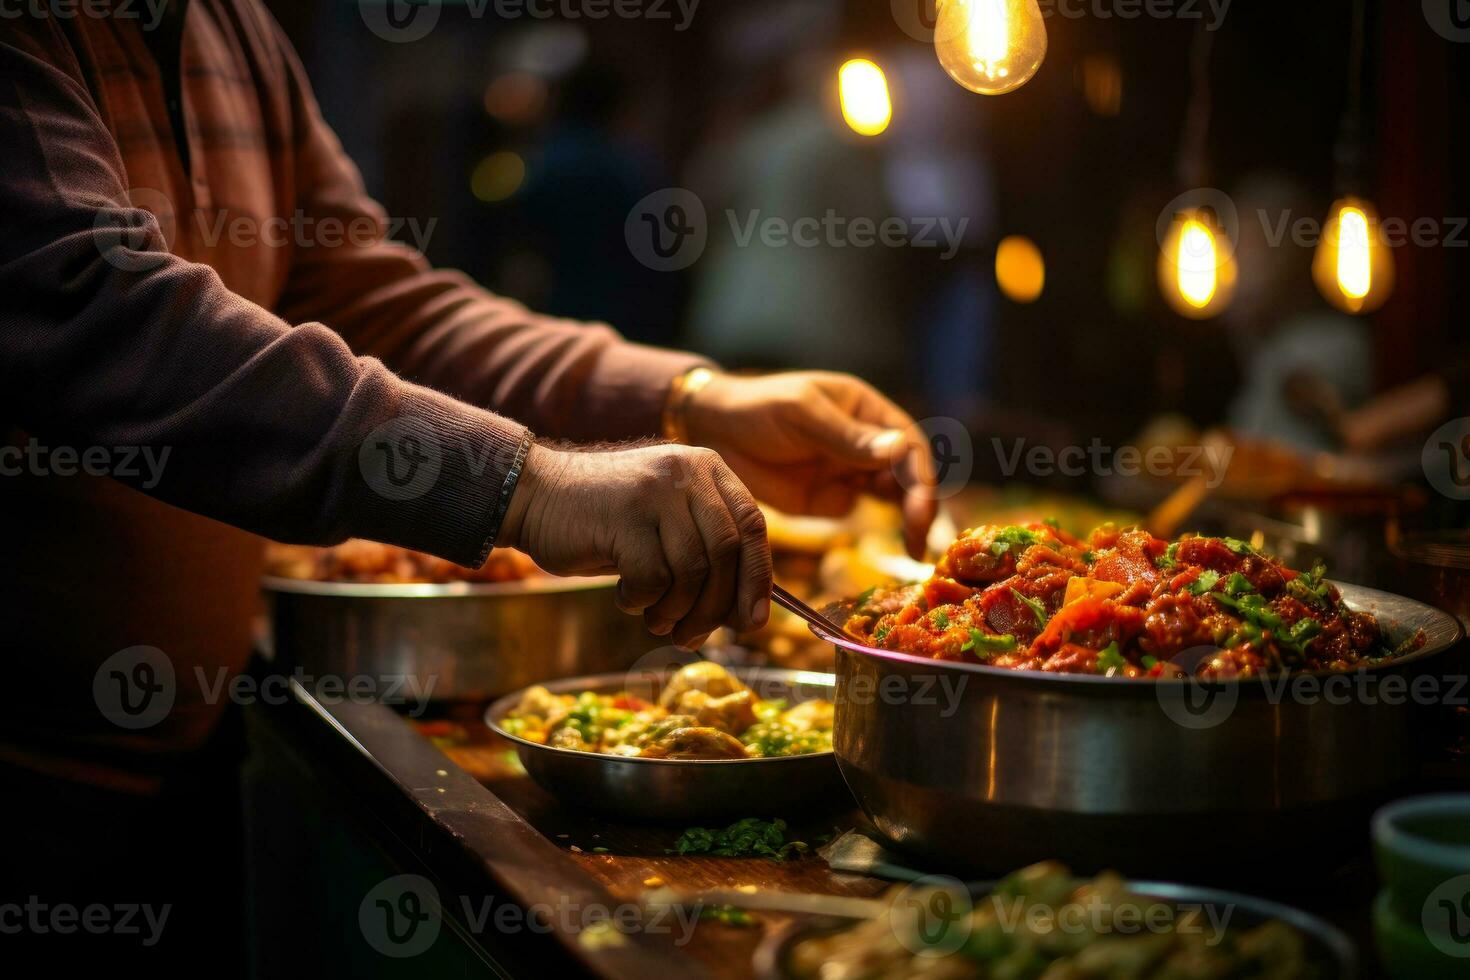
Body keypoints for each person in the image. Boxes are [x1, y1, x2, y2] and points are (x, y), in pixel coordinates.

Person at [0, 1, 935, 966]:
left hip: (188, 755)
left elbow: (373, 301)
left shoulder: (228, 27)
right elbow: (87, 308)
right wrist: (523, 487)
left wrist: (689, 396)